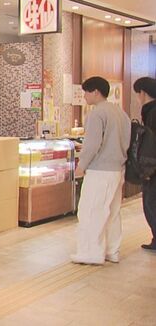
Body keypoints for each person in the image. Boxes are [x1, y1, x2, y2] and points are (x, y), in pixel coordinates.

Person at [72, 76, 131, 265]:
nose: (84, 96)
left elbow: (92, 144)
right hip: (117, 170)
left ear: (96, 92)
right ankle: (112, 251)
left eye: (86, 92)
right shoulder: (120, 113)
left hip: (100, 170)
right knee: (112, 212)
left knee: (91, 211)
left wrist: (81, 166)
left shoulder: (97, 114)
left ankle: (91, 253)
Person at [134, 77, 156, 250]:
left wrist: (147, 170)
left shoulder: (152, 112)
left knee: (150, 202)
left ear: (142, 93)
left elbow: (150, 144)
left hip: (152, 168)